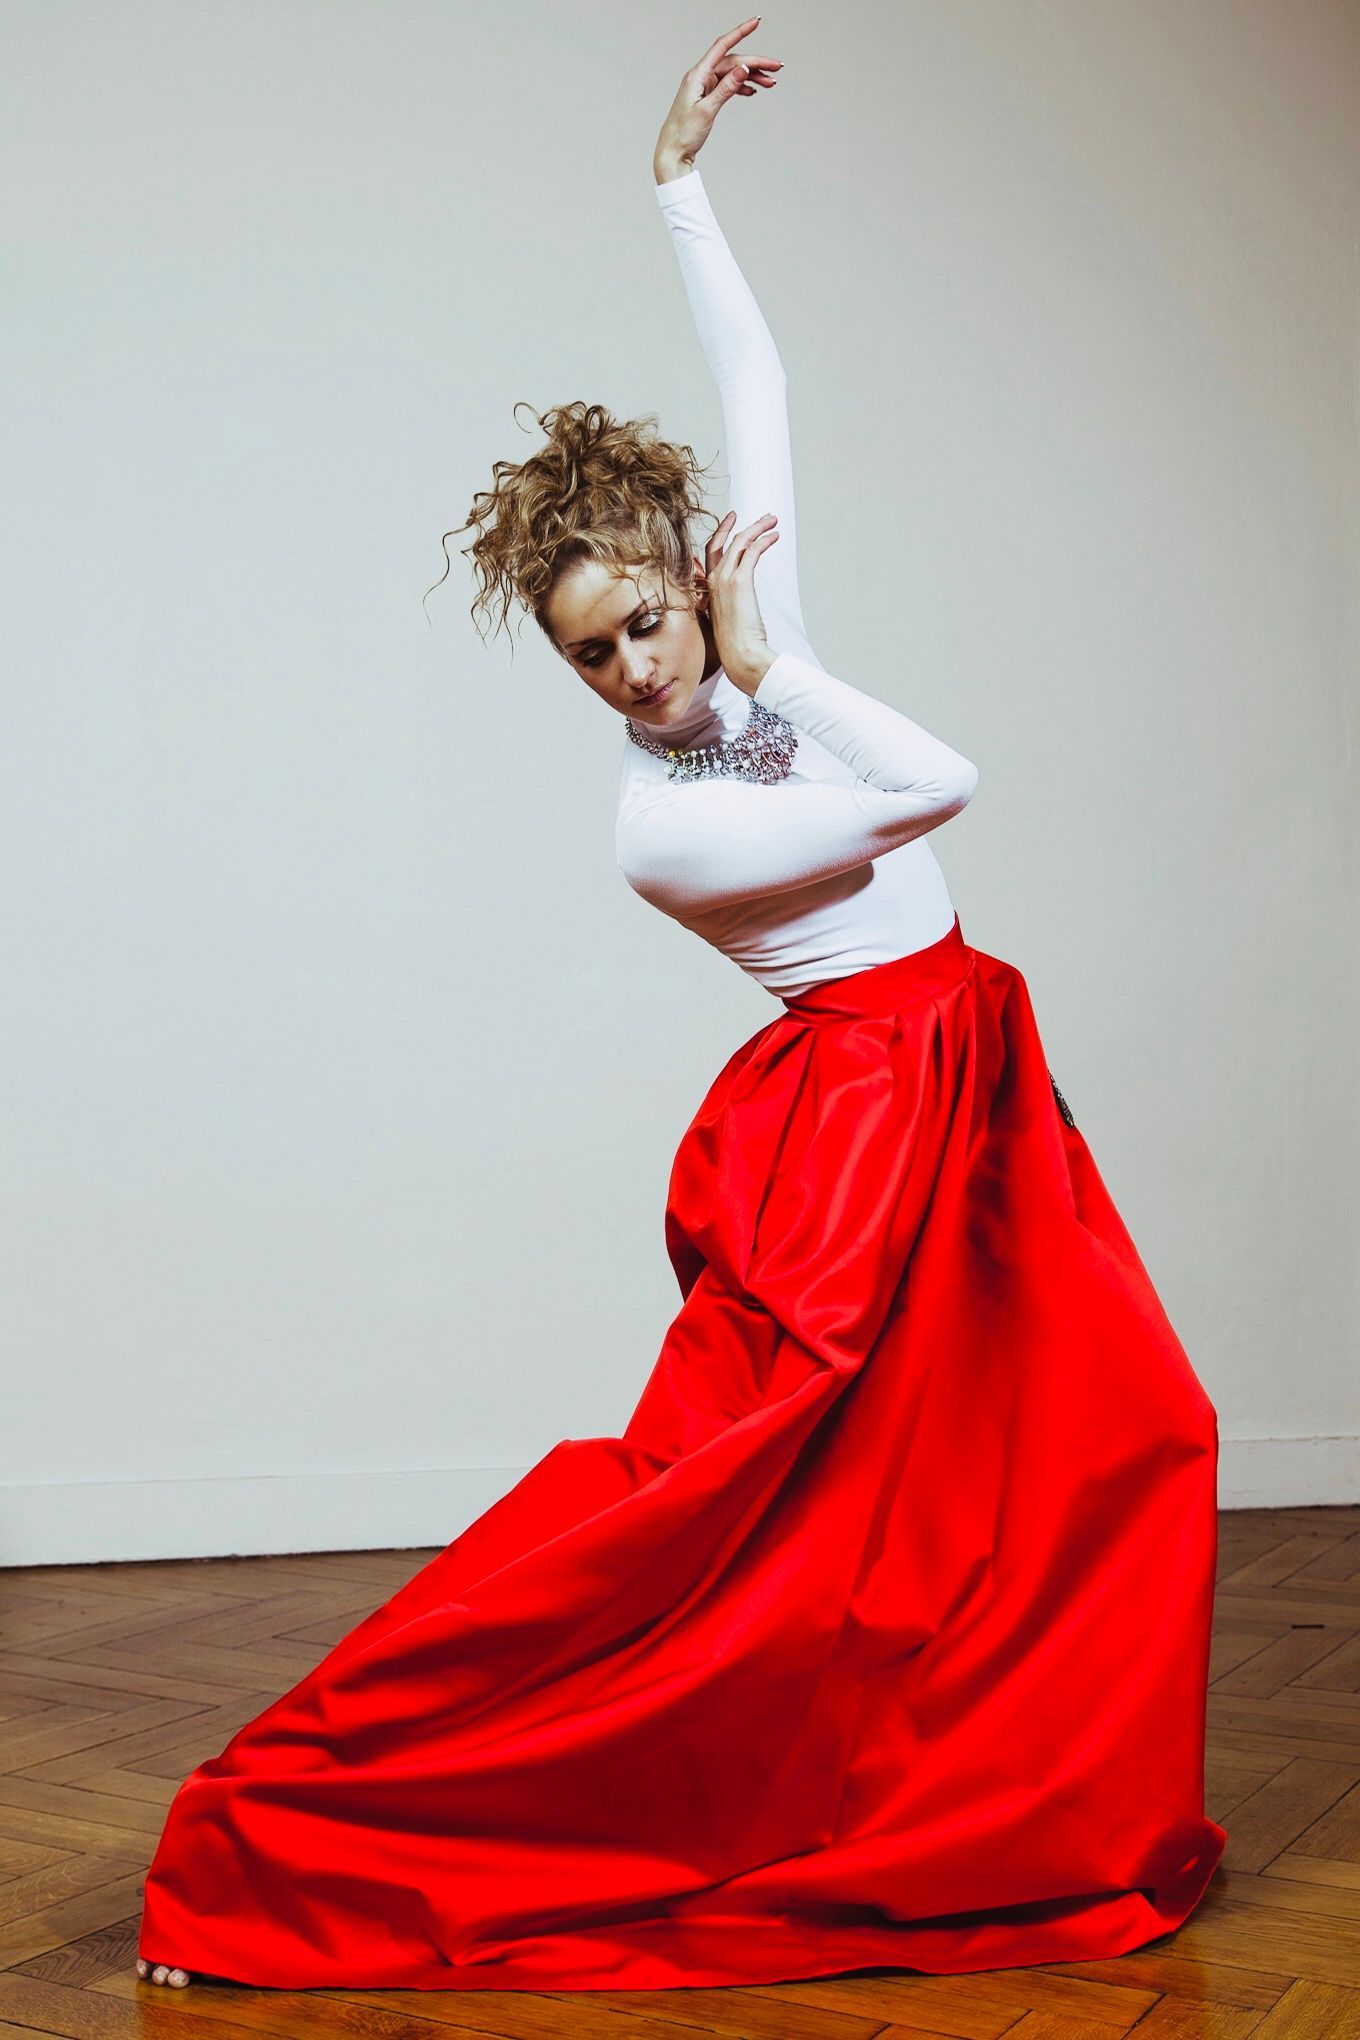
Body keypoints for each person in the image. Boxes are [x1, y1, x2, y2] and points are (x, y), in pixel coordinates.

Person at [137, 17, 1224, 1993]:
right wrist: (771, 657)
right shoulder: (657, 830)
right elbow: (927, 792)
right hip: (862, 1119)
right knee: (740, 1532)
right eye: (588, 655)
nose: (634, 668)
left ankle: (1029, 1800)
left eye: (641, 615)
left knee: (1100, 1447)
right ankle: (310, 1827)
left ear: (665, 568)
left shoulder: (744, 622)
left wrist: (678, 190)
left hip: (968, 1056)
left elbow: (763, 386)